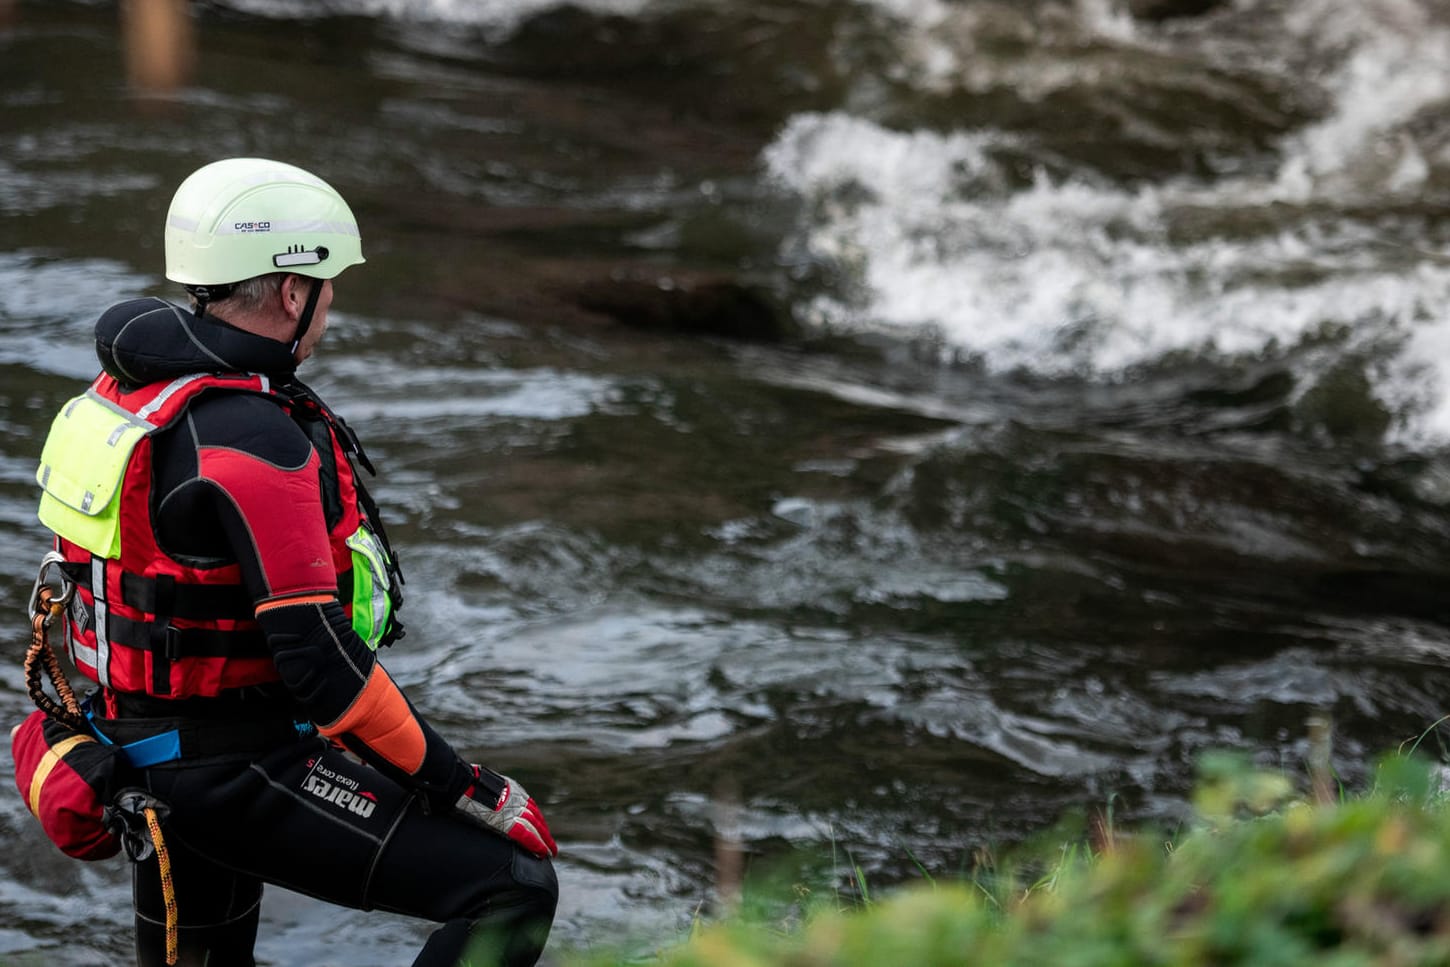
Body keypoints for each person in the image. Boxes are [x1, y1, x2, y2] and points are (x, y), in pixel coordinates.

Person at [29, 158, 558, 966]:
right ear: (290, 290)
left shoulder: (132, 391)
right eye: (329, 284)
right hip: (229, 769)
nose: (331, 303)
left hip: (137, 752)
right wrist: (464, 783)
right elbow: (319, 662)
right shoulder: (251, 434)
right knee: (512, 884)